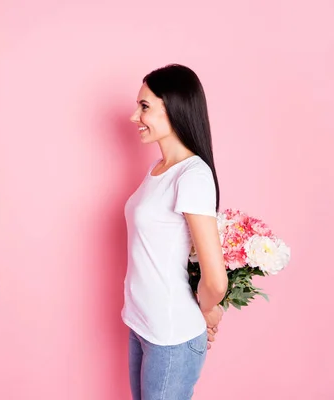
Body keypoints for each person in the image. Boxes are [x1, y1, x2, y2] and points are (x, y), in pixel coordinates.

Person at [122, 64, 228, 400]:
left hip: (170, 334)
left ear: (175, 107)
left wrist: (209, 309)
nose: (133, 116)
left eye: (144, 107)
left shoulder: (192, 175)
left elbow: (216, 279)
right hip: (141, 324)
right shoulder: (158, 169)